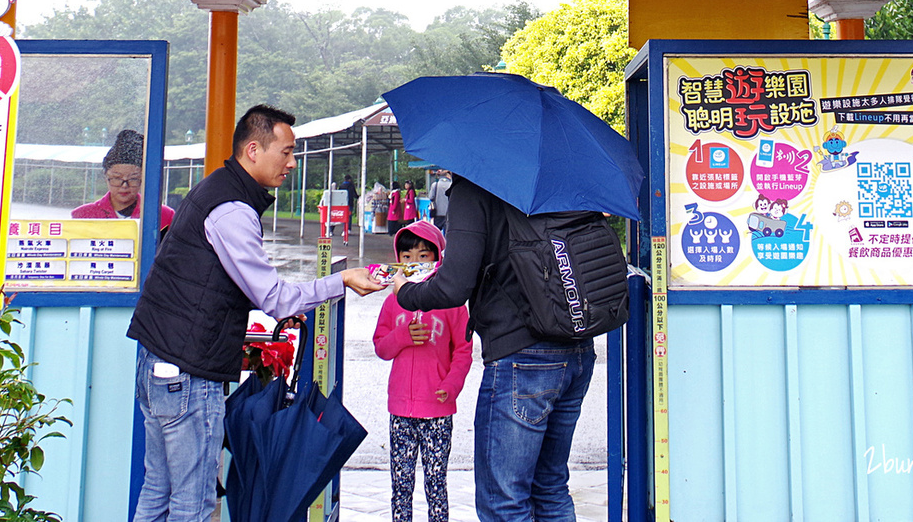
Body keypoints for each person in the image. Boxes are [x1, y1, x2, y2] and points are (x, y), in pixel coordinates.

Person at [126, 104, 384, 522]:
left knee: (159, 492)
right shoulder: (233, 210)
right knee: (192, 504)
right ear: (252, 150)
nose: (292, 162)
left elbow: (220, 280)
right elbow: (275, 298)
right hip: (188, 374)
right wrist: (343, 281)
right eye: (284, 152)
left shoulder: (217, 190)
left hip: (158, 361)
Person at [394, 176, 595, 522]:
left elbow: (453, 286)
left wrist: (405, 292)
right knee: (550, 488)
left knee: (504, 500)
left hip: (521, 355)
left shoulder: (475, 186)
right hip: (576, 348)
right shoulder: (555, 176)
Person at [373, 220, 471, 522]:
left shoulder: (453, 305)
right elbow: (381, 347)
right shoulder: (392, 303)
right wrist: (402, 337)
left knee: (435, 481)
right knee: (401, 484)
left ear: (437, 258)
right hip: (401, 410)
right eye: (407, 257)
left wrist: (451, 385)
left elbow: (464, 351)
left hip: (438, 411)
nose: (414, 262)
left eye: (423, 255)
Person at [73, 129, 175, 230]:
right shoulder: (83, 215)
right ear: (106, 177)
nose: (124, 186)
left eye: (133, 179)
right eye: (117, 178)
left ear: (143, 179)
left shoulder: (164, 216)